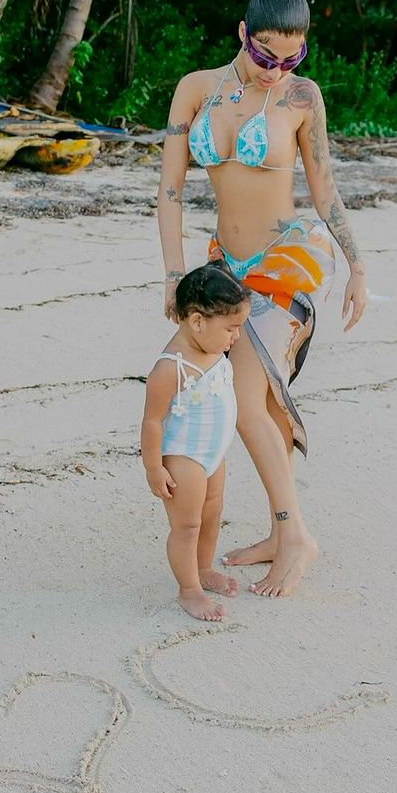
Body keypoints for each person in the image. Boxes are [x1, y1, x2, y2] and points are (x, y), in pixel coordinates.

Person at [157, 0, 367, 599]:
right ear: (242, 32)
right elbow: (168, 193)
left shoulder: (303, 99)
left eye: (292, 59)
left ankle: (293, 531)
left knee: (247, 398)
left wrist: (357, 265)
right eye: (266, 55)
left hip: (289, 256)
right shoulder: (196, 89)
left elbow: (325, 192)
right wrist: (175, 278)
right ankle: (282, 536)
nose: (277, 70)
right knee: (258, 396)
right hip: (224, 266)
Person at [141, 262, 251, 622]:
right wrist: (154, 467)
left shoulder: (214, 347)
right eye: (231, 328)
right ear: (197, 321)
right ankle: (189, 590)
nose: (235, 336)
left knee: (212, 513)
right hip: (184, 457)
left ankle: (203, 569)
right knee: (187, 526)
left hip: (213, 453)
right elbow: (153, 422)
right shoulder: (170, 368)